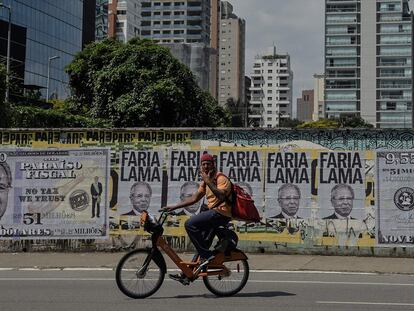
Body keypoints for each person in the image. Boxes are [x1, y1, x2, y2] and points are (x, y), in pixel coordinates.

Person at [162, 153, 232, 284]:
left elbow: (222, 196)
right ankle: (188, 274)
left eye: (208, 164)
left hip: (221, 214)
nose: (206, 166)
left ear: (213, 165)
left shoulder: (221, 178)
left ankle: (207, 256)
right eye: (203, 164)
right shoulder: (206, 182)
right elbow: (194, 198)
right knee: (202, 244)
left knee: (190, 224)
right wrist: (174, 207)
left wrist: (207, 181)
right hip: (213, 215)